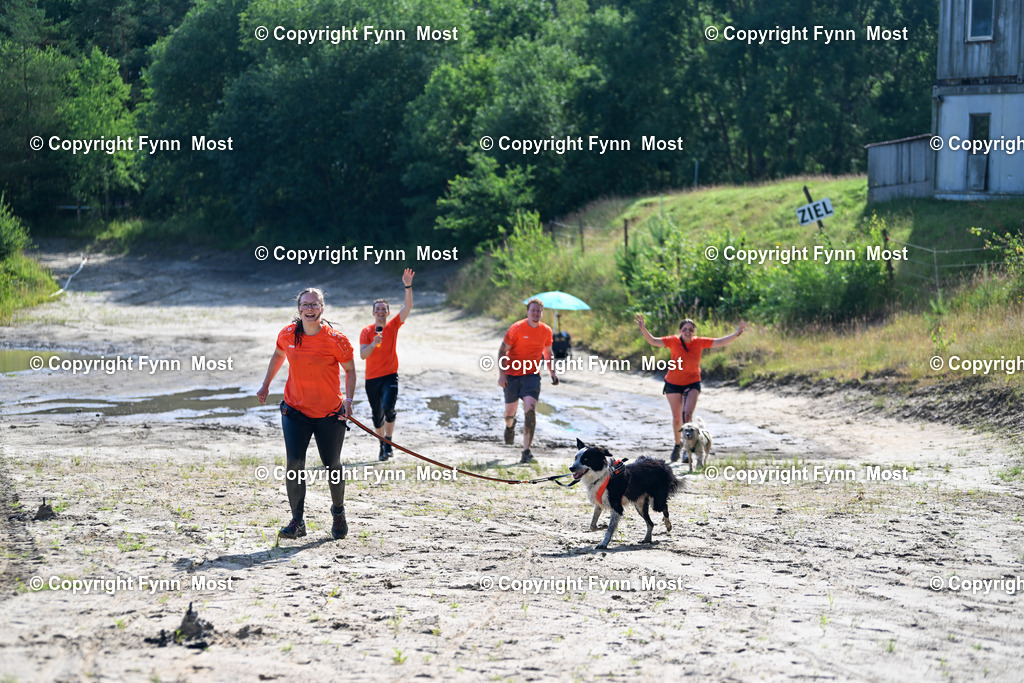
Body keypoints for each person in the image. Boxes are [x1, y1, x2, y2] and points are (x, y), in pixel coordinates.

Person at [257, 287, 356, 541]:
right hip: (295, 411)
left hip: (329, 414)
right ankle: (297, 522)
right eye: (305, 304)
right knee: (294, 465)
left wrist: (349, 400)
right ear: (299, 308)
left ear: (322, 308)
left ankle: (338, 513)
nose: (309, 308)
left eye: (314, 304)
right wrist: (266, 383)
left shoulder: (336, 340)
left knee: (332, 465)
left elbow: (350, 371)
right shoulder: (288, 334)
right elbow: (279, 354)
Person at [635, 314, 747, 461]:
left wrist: (736, 333)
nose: (688, 331)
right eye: (685, 329)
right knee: (677, 419)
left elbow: (720, 341)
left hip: (692, 382)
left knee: (687, 415)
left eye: (691, 329)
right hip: (673, 383)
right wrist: (643, 328)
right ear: (680, 330)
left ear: (694, 331)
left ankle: (688, 450)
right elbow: (653, 341)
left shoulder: (699, 342)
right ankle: (677, 445)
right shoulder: (673, 341)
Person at [359, 268, 415, 461]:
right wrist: (373, 344)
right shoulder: (366, 332)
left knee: (388, 408)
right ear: (373, 313)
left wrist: (407, 286)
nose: (381, 312)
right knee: (377, 415)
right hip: (371, 379)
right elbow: (362, 355)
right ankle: (382, 444)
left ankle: (388, 442)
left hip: (390, 375)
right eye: (378, 310)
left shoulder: (392, 326)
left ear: (388, 312)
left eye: (384, 309)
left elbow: (407, 308)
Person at [497, 298, 559, 463]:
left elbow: (548, 352)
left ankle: (526, 451)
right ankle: (509, 427)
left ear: (542, 313)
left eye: (538, 311)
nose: (536, 313)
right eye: (533, 310)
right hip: (511, 374)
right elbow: (502, 351)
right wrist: (502, 374)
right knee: (509, 413)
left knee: (530, 410)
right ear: (527, 312)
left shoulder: (546, 331)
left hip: (531, 375)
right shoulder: (516, 328)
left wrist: (552, 372)